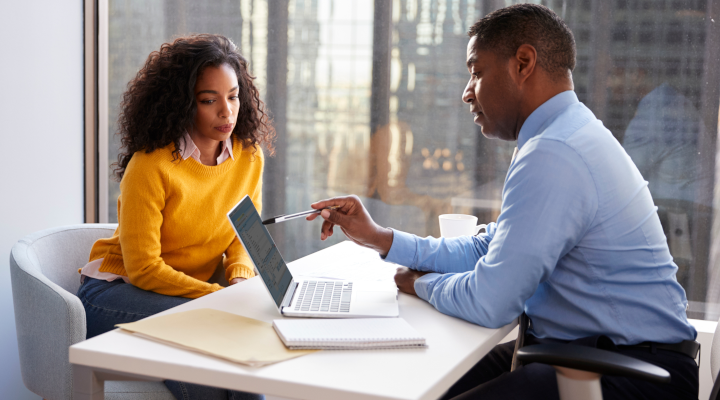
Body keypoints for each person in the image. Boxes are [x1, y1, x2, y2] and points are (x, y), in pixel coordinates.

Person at [306, 4, 698, 399]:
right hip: (591, 356)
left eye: (476, 72)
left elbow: (490, 301)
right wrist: (382, 239)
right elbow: (489, 246)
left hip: (633, 377)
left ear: (523, 63)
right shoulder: (563, 134)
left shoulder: (555, 152)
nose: (466, 92)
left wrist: (421, 284)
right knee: (425, 385)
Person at [76, 34, 273, 400]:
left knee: (249, 366)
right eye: (209, 100)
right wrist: (217, 297)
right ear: (183, 104)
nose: (226, 112)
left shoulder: (249, 156)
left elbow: (244, 235)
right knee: (210, 349)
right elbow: (144, 270)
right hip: (116, 293)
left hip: (188, 297)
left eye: (232, 96)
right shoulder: (151, 166)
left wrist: (240, 280)